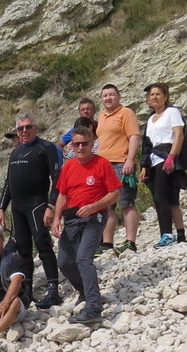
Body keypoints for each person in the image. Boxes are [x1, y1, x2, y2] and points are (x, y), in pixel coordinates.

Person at [52, 126, 121, 326]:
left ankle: (93, 306)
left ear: (92, 144)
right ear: (71, 146)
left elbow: (115, 193)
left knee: (83, 258)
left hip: (94, 217)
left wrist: (94, 206)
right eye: (76, 144)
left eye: (84, 143)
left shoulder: (102, 164)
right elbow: (62, 194)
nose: (80, 147)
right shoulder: (68, 166)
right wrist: (56, 218)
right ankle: (85, 290)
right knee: (64, 262)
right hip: (73, 218)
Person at [0, 113, 62, 309]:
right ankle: (27, 291)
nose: (24, 131)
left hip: (37, 205)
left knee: (43, 245)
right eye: (20, 128)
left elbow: (58, 179)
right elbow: (8, 183)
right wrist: (1, 209)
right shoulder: (15, 153)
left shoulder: (46, 148)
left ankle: (53, 290)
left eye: (28, 127)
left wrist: (51, 206)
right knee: (23, 249)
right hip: (17, 208)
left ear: (35, 128)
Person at [139, 82, 187, 248]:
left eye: (158, 94)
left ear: (165, 96)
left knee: (160, 197)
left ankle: (167, 234)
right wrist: (144, 167)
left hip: (166, 156)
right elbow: (147, 144)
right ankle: (179, 234)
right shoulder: (151, 119)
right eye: (151, 95)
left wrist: (172, 157)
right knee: (169, 198)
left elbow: (178, 136)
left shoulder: (172, 112)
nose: (154, 97)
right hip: (153, 159)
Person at [96, 83, 142, 254]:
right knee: (107, 206)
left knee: (126, 202)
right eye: (105, 95)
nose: (108, 98)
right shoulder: (101, 116)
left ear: (119, 96)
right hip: (104, 165)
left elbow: (134, 136)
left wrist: (130, 159)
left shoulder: (126, 113)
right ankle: (107, 243)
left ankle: (130, 242)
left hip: (121, 163)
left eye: (111, 94)